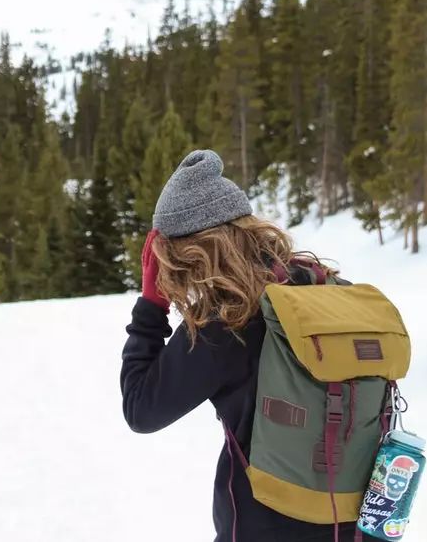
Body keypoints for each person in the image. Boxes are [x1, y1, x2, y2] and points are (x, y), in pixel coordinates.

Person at [120, 149, 375, 541]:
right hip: (354, 524)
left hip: (265, 526)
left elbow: (142, 408)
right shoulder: (322, 286)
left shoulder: (229, 323)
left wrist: (152, 305)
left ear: (190, 255)